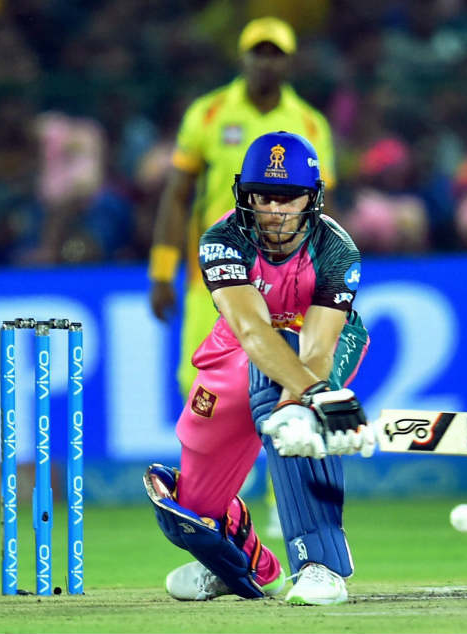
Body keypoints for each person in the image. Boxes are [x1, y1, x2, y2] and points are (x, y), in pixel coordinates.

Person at [143, 131, 375, 605]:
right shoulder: (222, 241)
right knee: (190, 510)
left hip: (319, 344)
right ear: (245, 194)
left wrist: (309, 398)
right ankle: (247, 567)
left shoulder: (337, 249)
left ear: (312, 198)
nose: (274, 211)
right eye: (264, 197)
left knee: (290, 415)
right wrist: (317, 397)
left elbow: (317, 345)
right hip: (236, 350)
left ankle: (321, 566)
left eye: (289, 198)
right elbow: (251, 332)